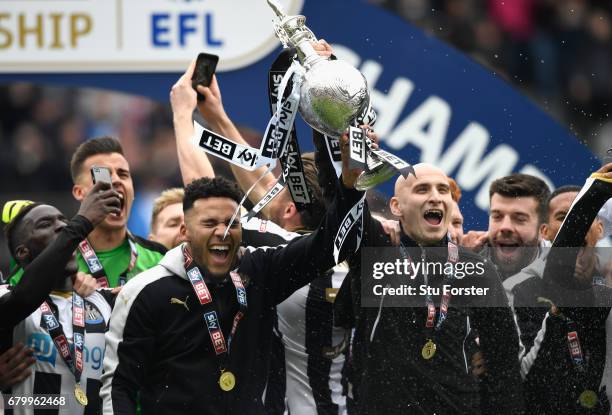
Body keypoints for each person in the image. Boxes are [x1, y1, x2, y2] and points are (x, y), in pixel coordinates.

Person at [99, 140, 364, 415]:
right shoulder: (145, 290)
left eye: (232, 223)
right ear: (185, 231)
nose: (223, 232)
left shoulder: (261, 271)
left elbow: (328, 243)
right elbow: (119, 387)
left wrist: (349, 182)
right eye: (210, 223)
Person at [171, 50, 351, 414]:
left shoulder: (276, 250)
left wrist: (181, 114)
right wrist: (218, 118)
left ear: (289, 209)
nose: (269, 187)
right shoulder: (347, 247)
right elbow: (263, 189)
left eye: (280, 187)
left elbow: (205, 199)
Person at [335, 162, 524, 414]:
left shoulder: (478, 271)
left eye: (442, 190)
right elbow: (343, 211)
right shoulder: (376, 256)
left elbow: (504, 361)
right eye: (422, 189)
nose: (435, 197)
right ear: (396, 206)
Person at [0, 182, 120, 414]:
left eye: (64, 222)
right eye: (46, 224)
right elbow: (24, 298)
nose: (61, 227)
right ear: (22, 252)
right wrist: (80, 222)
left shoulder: (105, 302)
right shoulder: (6, 297)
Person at [9, 137, 167, 288]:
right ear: (79, 192)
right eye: (102, 175)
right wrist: (68, 297)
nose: (116, 180)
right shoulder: (47, 261)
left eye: (123, 174)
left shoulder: (159, 259)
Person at [521, 163, 612, 414]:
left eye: (583, 218)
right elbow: (559, 280)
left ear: (601, 229)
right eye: (565, 217)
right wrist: (594, 195)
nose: (577, 225)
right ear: (546, 232)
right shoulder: (519, 291)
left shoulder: (604, 295)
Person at [462, 173, 551, 281]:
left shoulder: (560, 275)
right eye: (497, 216)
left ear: (543, 231)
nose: (505, 227)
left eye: (519, 219)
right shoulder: (464, 258)